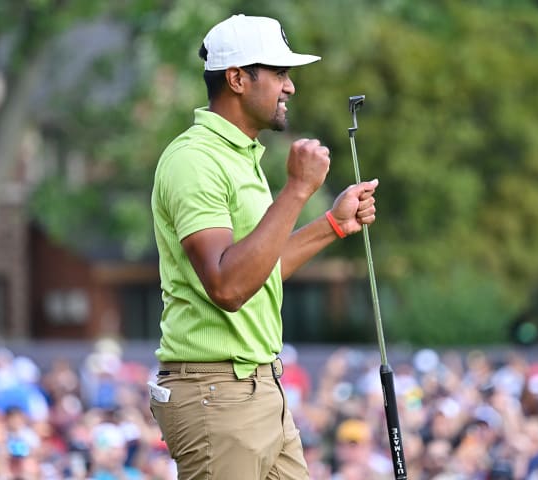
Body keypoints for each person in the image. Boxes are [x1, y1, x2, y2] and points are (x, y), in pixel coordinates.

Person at [148, 13, 379, 480]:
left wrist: (332, 224)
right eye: (279, 73)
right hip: (217, 394)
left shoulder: (241, 156)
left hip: (257, 387)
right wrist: (296, 190)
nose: (289, 87)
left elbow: (258, 271)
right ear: (236, 79)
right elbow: (229, 287)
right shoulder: (195, 159)